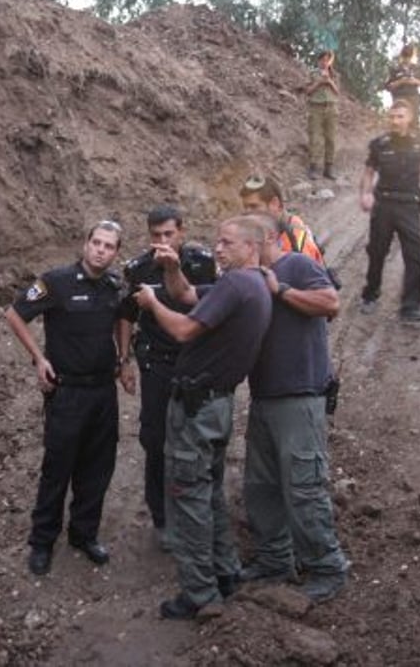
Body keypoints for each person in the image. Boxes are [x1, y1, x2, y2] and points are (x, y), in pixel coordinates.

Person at [132, 217, 272, 620]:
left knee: (188, 498)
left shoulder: (235, 284)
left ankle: (199, 593)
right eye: (217, 242)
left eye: (227, 243)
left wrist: (152, 303)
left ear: (251, 247)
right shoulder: (252, 285)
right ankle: (226, 572)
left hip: (197, 409)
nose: (218, 249)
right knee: (207, 492)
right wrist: (172, 269)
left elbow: (182, 329)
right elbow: (190, 294)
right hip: (216, 405)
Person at [5, 220, 131, 577]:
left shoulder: (115, 285)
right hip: (68, 392)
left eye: (109, 246)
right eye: (97, 243)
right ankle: (42, 541)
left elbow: (124, 317)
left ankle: (83, 534)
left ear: (116, 252)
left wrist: (124, 359)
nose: (101, 250)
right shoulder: (56, 282)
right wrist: (39, 359)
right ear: (85, 243)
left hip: (103, 392)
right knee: (58, 468)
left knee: (97, 467)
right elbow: (15, 314)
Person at [244, 211, 349, 603]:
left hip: (301, 395)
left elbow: (331, 302)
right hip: (265, 396)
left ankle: (327, 567)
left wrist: (282, 291)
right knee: (261, 486)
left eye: (242, 240)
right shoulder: (251, 279)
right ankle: (275, 559)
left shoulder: (297, 264)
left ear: (265, 239)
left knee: (304, 487)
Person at [116, 205, 217, 550]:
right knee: (155, 439)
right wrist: (123, 360)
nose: (162, 241)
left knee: (199, 438)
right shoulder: (138, 268)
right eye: (156, 235)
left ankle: (204, 511)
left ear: (182, 232)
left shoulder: (203, 263)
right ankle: (162, 517)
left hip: (197, 363)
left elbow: (220, 305)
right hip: (156, 365)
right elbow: (126, 315)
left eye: (168, 234)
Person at [358, 99, 420, 323]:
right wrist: (365, 193)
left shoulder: (419, 143)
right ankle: (370, 295)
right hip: (383, 204)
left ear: (409, 118)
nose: (395, 121)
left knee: (414, 255)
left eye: (400, 116)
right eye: (392, 116)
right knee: (376, 251)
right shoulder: (379, 144)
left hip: (409, 205)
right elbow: (369, 171)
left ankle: (410, 307)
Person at [302, 50, 340, 180]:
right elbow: (307, 91)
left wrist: (329, 81)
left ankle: (328, 168)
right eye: (322, 60)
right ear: (318, 61)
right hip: (316, 108)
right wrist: (319, 83)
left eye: (327, 60)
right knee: (315, 138)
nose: (324, 63)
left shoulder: (334, 75)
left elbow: (338, 92)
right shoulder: (312, 74)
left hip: (332, 108)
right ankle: (313, 168)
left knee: (331, 139)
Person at [382, 43, 420, 126]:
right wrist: (401, 81)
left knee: (414, 123)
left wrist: (415, 81)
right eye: (405, 55)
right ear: (401, 55)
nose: (407, 58)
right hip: (399, 98)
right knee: (398, 122)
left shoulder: (417, 68)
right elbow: (388, 86)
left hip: (413, 99)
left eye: (409, 56)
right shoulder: (395, 69)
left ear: (412, 56)